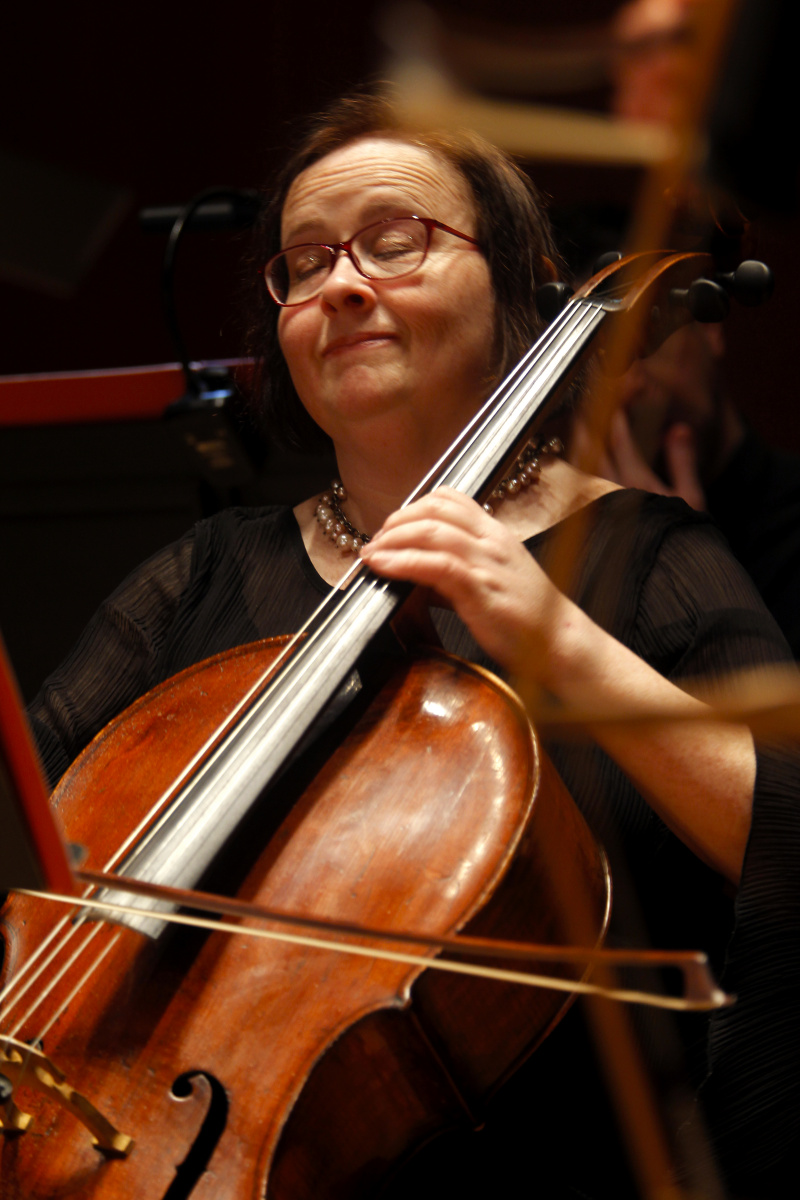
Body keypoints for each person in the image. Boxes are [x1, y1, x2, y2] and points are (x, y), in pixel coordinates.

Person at [25, 95, 799, 1195]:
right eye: (302, 263)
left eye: (396, 244)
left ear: (515, 286)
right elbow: (31, 848)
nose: (340, 286)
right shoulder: (199, 579)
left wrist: (552, 633)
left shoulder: (646, 560)